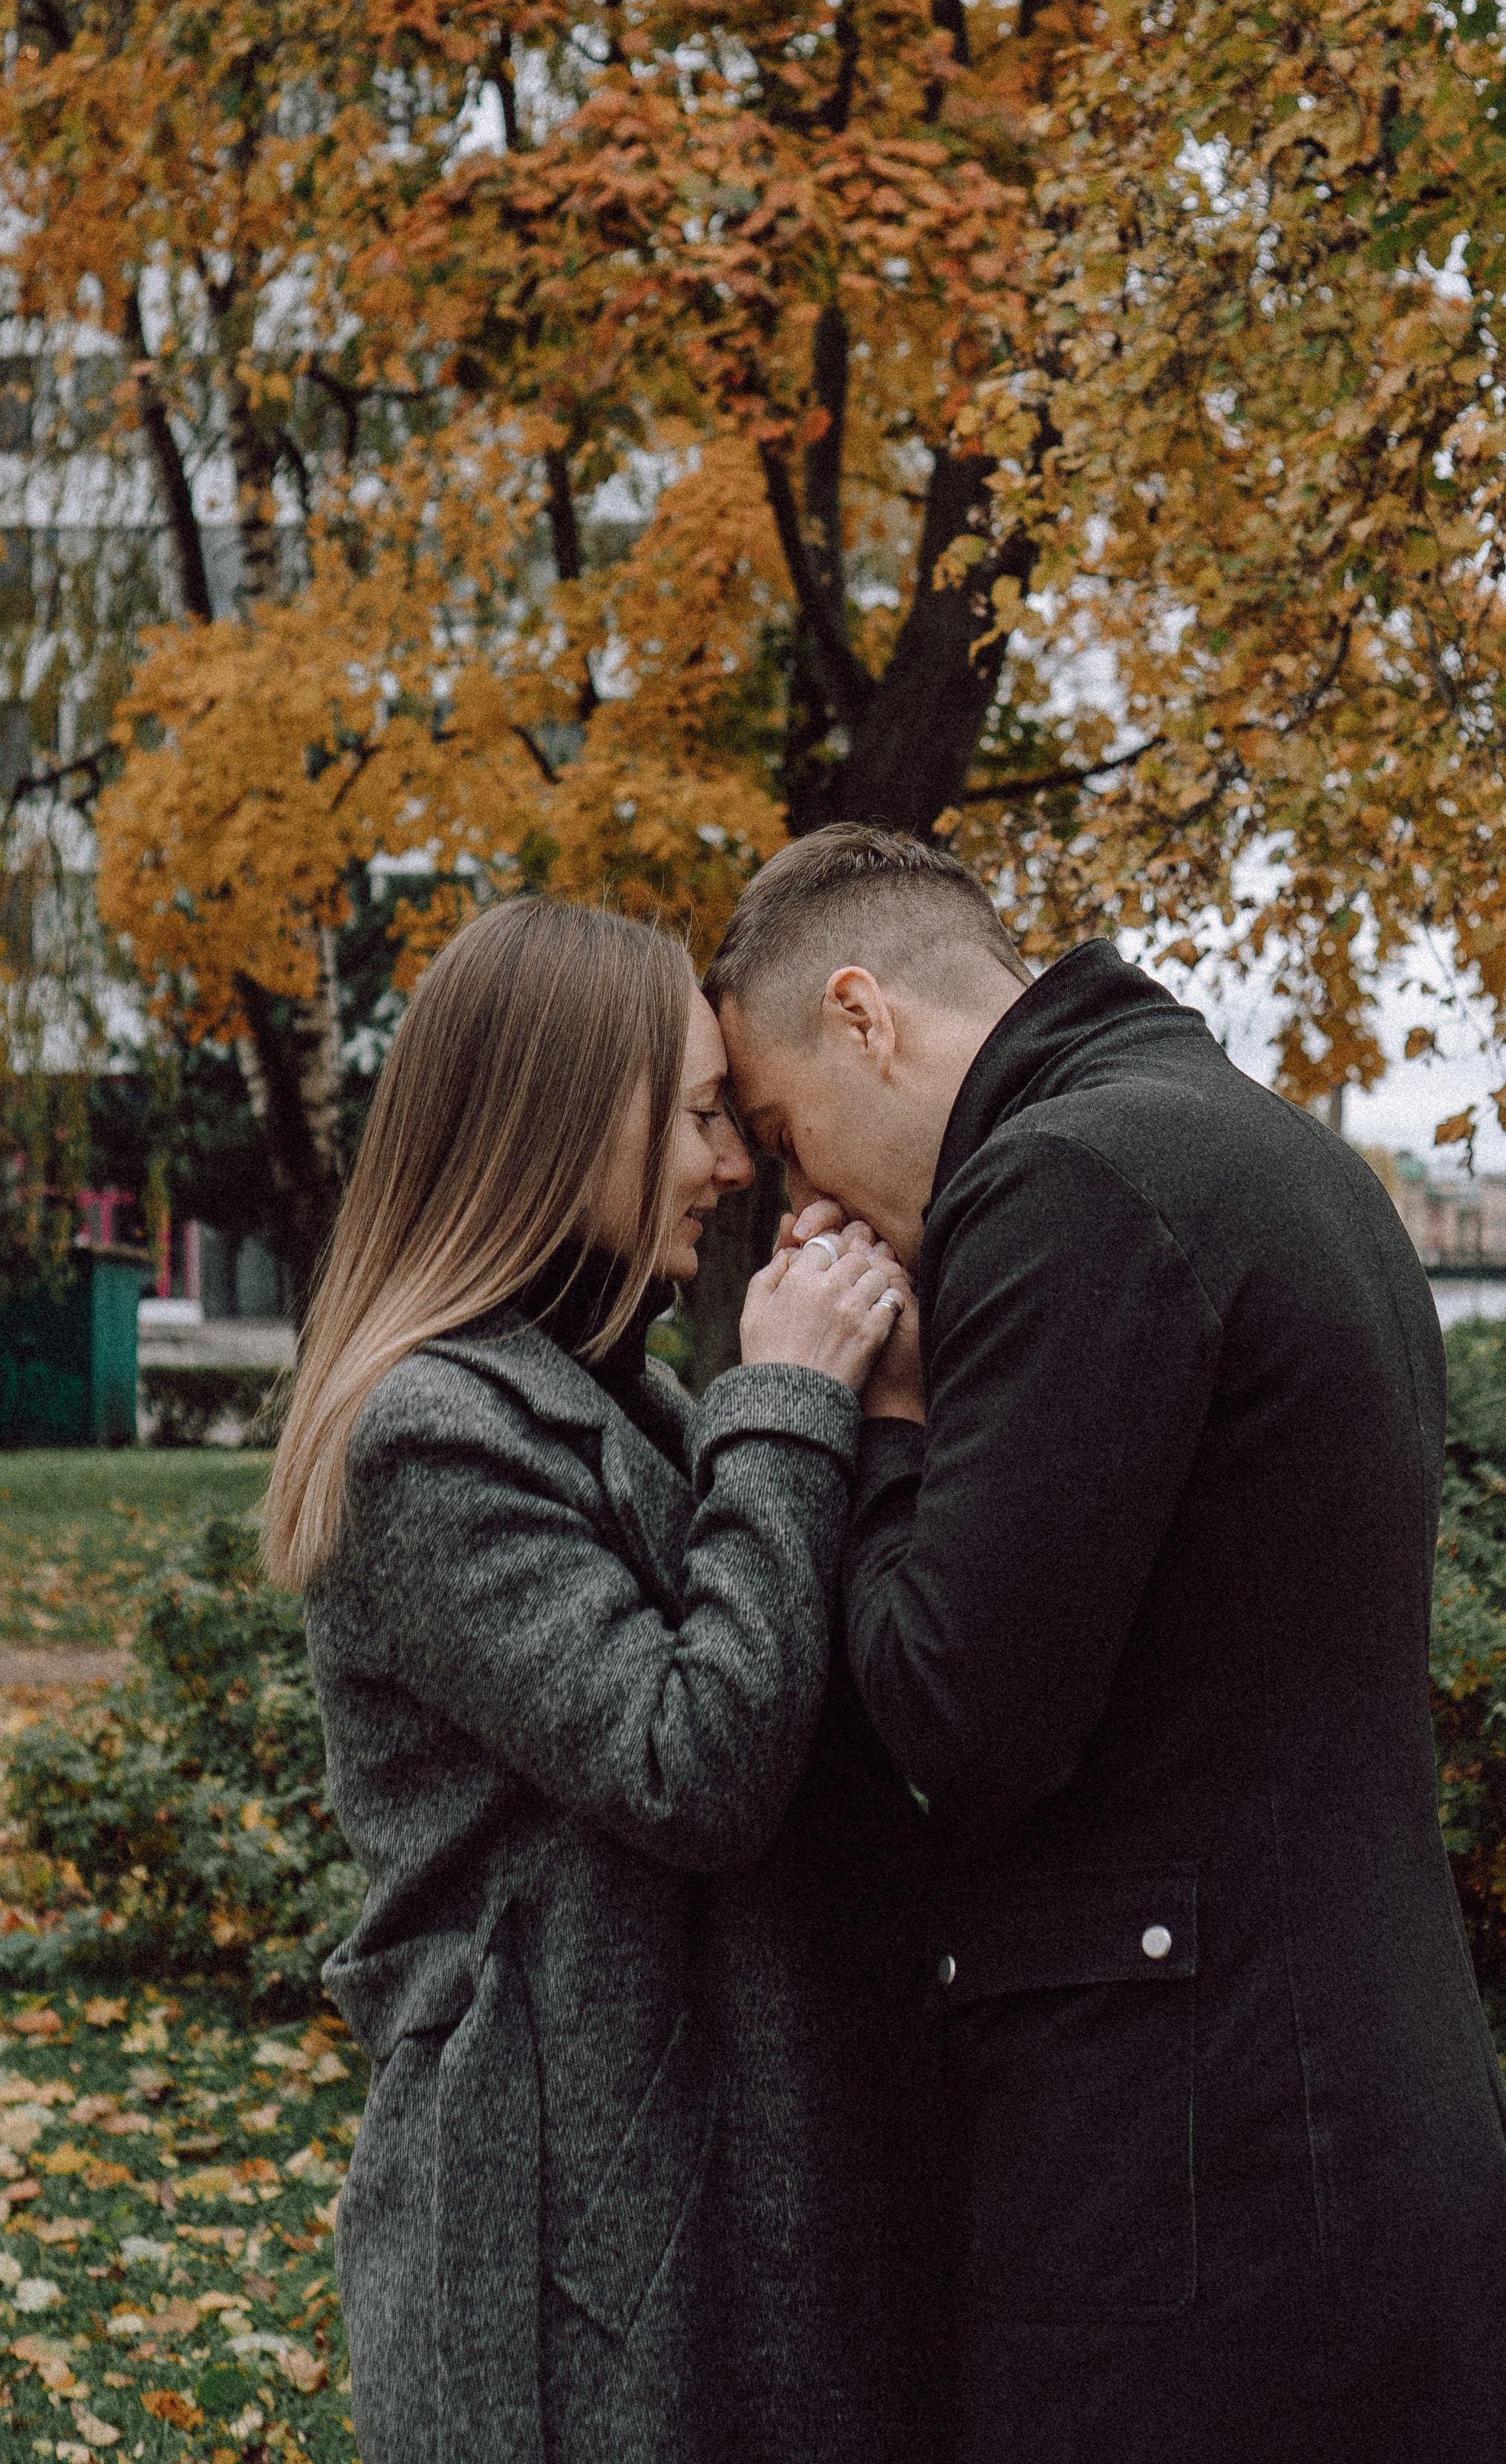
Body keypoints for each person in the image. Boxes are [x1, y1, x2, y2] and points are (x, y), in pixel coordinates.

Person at [706, 825, 1506, 2464]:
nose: (801, 1190)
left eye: (780, 1130)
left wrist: (874, 1416)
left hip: (1193, 2177)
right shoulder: (1269, 1150)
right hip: (1347, 2122)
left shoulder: (1067, 1185)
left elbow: (955, 1716)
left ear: (863, 1016)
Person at [265, 896, 933, 2464]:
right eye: (701, 1112)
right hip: (571, 2235)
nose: (733, 1160)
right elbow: (686, 1763)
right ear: (565, 1117)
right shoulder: (428, 1433)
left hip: (709, 2178)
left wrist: (867, 1415)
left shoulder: (617, 1396)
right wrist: (782, 1406)